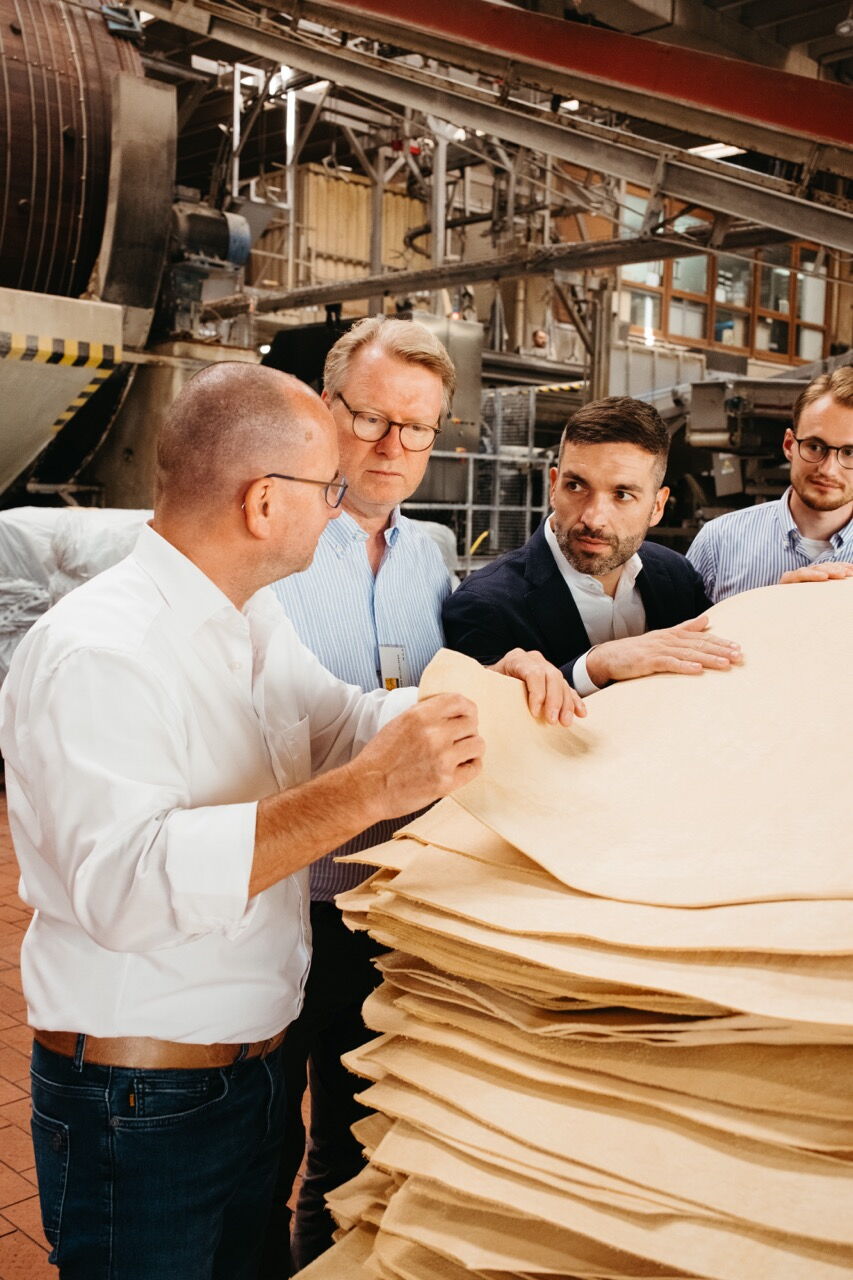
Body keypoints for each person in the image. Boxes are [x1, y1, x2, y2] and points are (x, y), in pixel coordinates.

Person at [0, 362, 578, 1280]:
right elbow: (126, 889)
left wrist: (482, 701)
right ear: (265, 503)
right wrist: (365, 793)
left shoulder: (247, 617)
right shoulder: (100, 653)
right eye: (329, 488)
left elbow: (343, 719)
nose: (340, 503)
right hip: (140, 1101)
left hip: (246, 1078)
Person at [262, 317, 585, 1275]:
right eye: (371, 419)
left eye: (420, 428)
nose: (394, 447)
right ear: (327, 409)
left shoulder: (427, 556)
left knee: (362, 1140)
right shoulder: (272, 542)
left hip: (394, 899)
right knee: (259, 1143)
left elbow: (438, 699)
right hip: (281, 896)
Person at [444, 396, 741, 693]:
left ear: (657, 506)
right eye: (576, 486)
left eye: (622, 495)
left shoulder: (677, 577)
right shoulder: (484, 604)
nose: (593, 518)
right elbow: (485, 722)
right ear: (553, 486)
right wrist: (593, 668)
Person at [687, 367, 853, 601]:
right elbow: (676, 636)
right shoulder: (719, 541)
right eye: (815, 447)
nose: (828, 469)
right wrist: (769, 606)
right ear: (788, 445)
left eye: (849, 452)